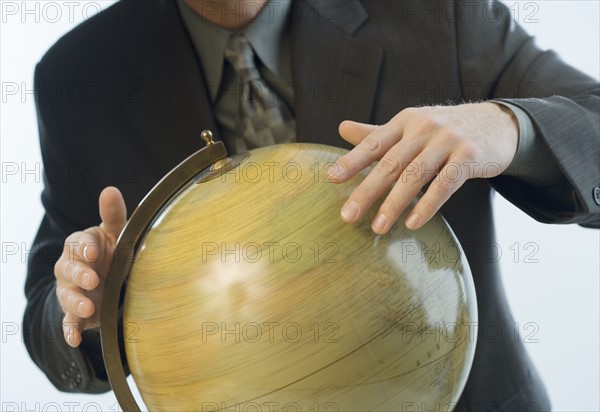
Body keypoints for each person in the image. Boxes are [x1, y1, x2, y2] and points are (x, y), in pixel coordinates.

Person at [24, 0, 599, 409]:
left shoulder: (438, 14)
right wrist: (88, 309)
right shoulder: (79, 75)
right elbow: (45, 316)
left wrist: (510, 126)